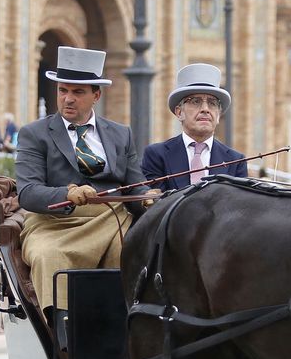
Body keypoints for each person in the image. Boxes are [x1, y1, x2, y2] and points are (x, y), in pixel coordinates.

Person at [14, 47, 142, 313]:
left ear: (96, 95)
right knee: (47, 255)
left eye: (78, 92)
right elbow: (27, 192)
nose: (68, 99)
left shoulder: (121, 134)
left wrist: (150, 198)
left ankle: (128, 328)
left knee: (136, 250)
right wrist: (66, 194)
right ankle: (63, 336)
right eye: (63, 90)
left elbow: (137, 184)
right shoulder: (34, 134)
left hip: (113, 219)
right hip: (54, 223)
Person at [140, 63, 249, 192]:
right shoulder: (157, 155)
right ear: (179, 112)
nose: (205, 109)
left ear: (218, 115)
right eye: (195, 101)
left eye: (212, 103)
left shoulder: (235, 161)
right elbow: (157, 206)